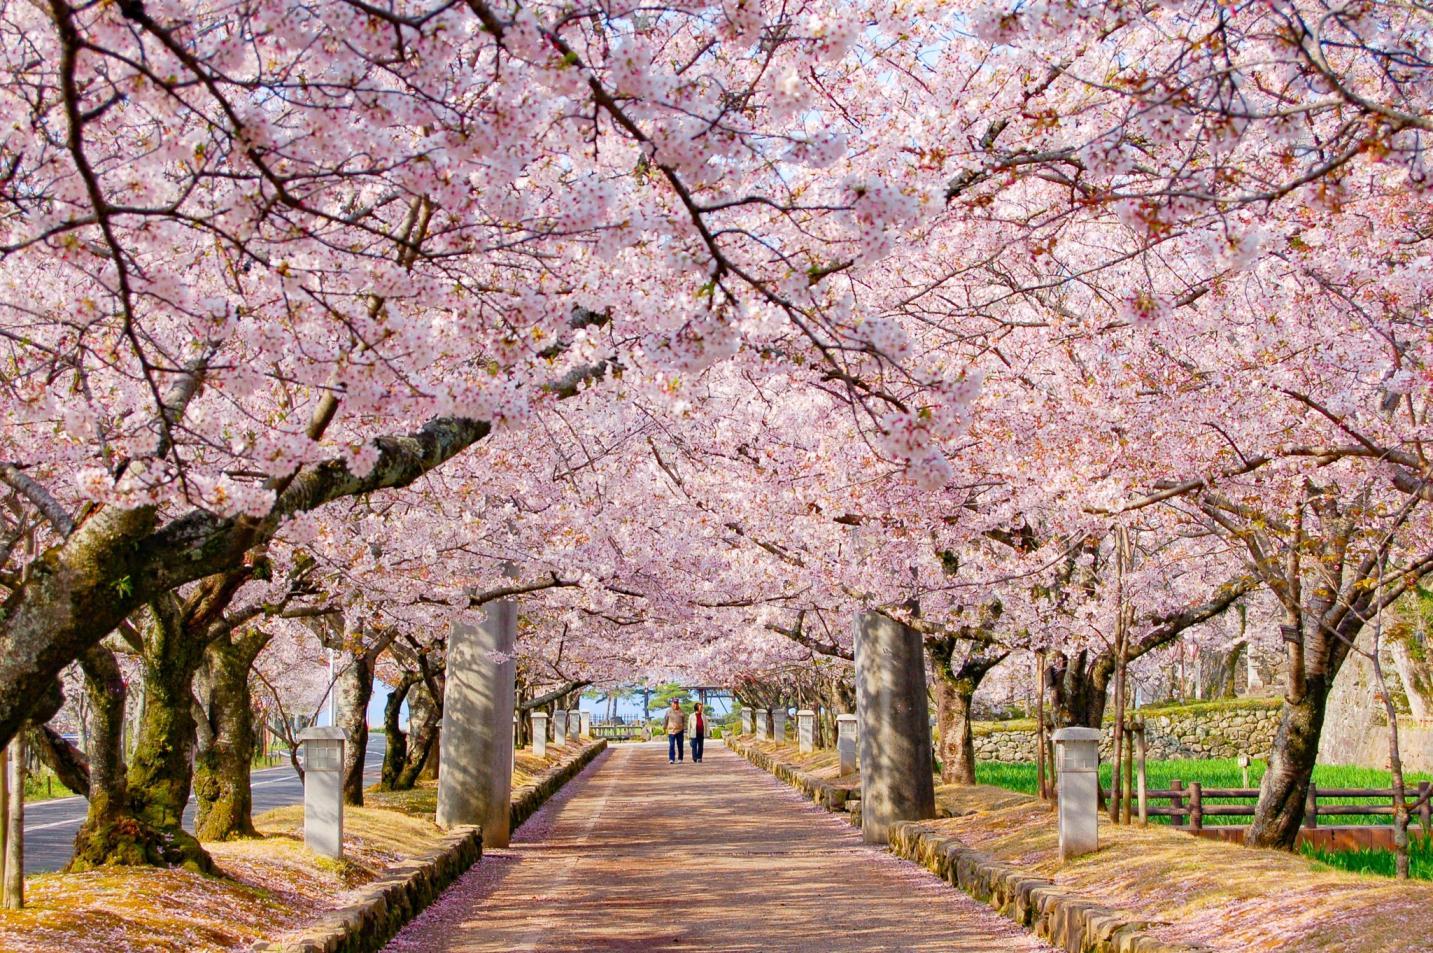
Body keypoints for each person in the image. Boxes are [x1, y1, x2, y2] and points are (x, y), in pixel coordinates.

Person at [664, 698, 686, 763]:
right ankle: (671, 759)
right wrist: (664, 727)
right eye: (674, 703)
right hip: (671, 731)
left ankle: (680, 758)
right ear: (672, 703)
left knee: (680, 745)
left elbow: (684, 720)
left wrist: (684, 728)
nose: (675, 705)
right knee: (672, 745)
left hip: (680, 730)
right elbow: (665, 720)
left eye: (676, 703)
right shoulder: (668, 711)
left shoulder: (681, 711)